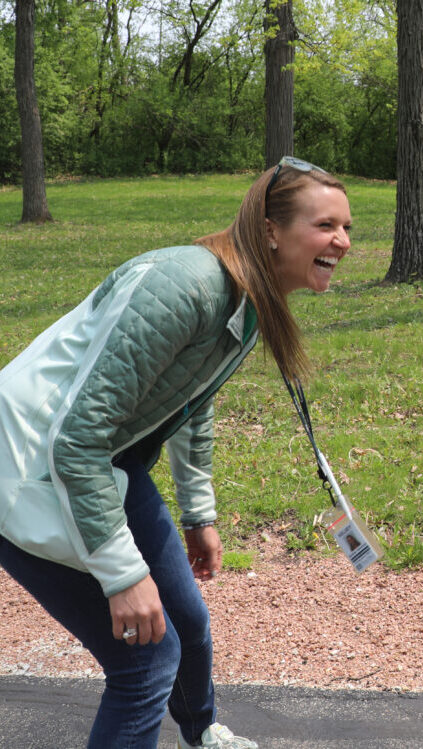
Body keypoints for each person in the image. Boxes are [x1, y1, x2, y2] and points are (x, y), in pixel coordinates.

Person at [0, 156, 352, 748]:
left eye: (347, 229)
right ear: (271, 230)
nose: (341, 241)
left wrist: (200, 513)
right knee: (145, 659)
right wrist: (123, 575)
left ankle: (202, 734)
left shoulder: (245, 296)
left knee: (185, 620)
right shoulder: (185, 284)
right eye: (325, 226)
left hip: (102, 464)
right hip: (28, 467)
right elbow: (77, 439)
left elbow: (190, 402)